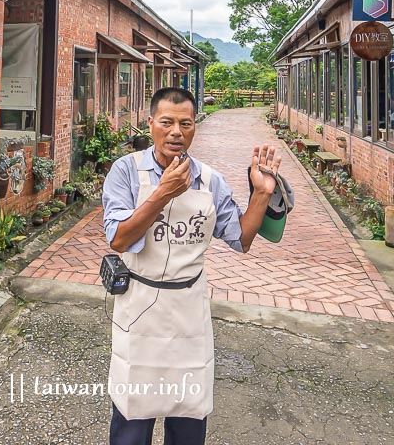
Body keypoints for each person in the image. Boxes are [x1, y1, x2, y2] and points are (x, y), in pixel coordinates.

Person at [102, 86, 281, 445]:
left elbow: (241, 239)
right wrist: (162, 193)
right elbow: (119, 239)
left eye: (185, 123)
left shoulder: (210, 180)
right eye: (166, 122)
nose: (176, 132)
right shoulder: (125, 171)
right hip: (139, 303)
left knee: (188, 414)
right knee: (133, 414)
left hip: (188, 307)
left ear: (194, 127)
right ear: (150, 123)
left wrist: (261, 193)